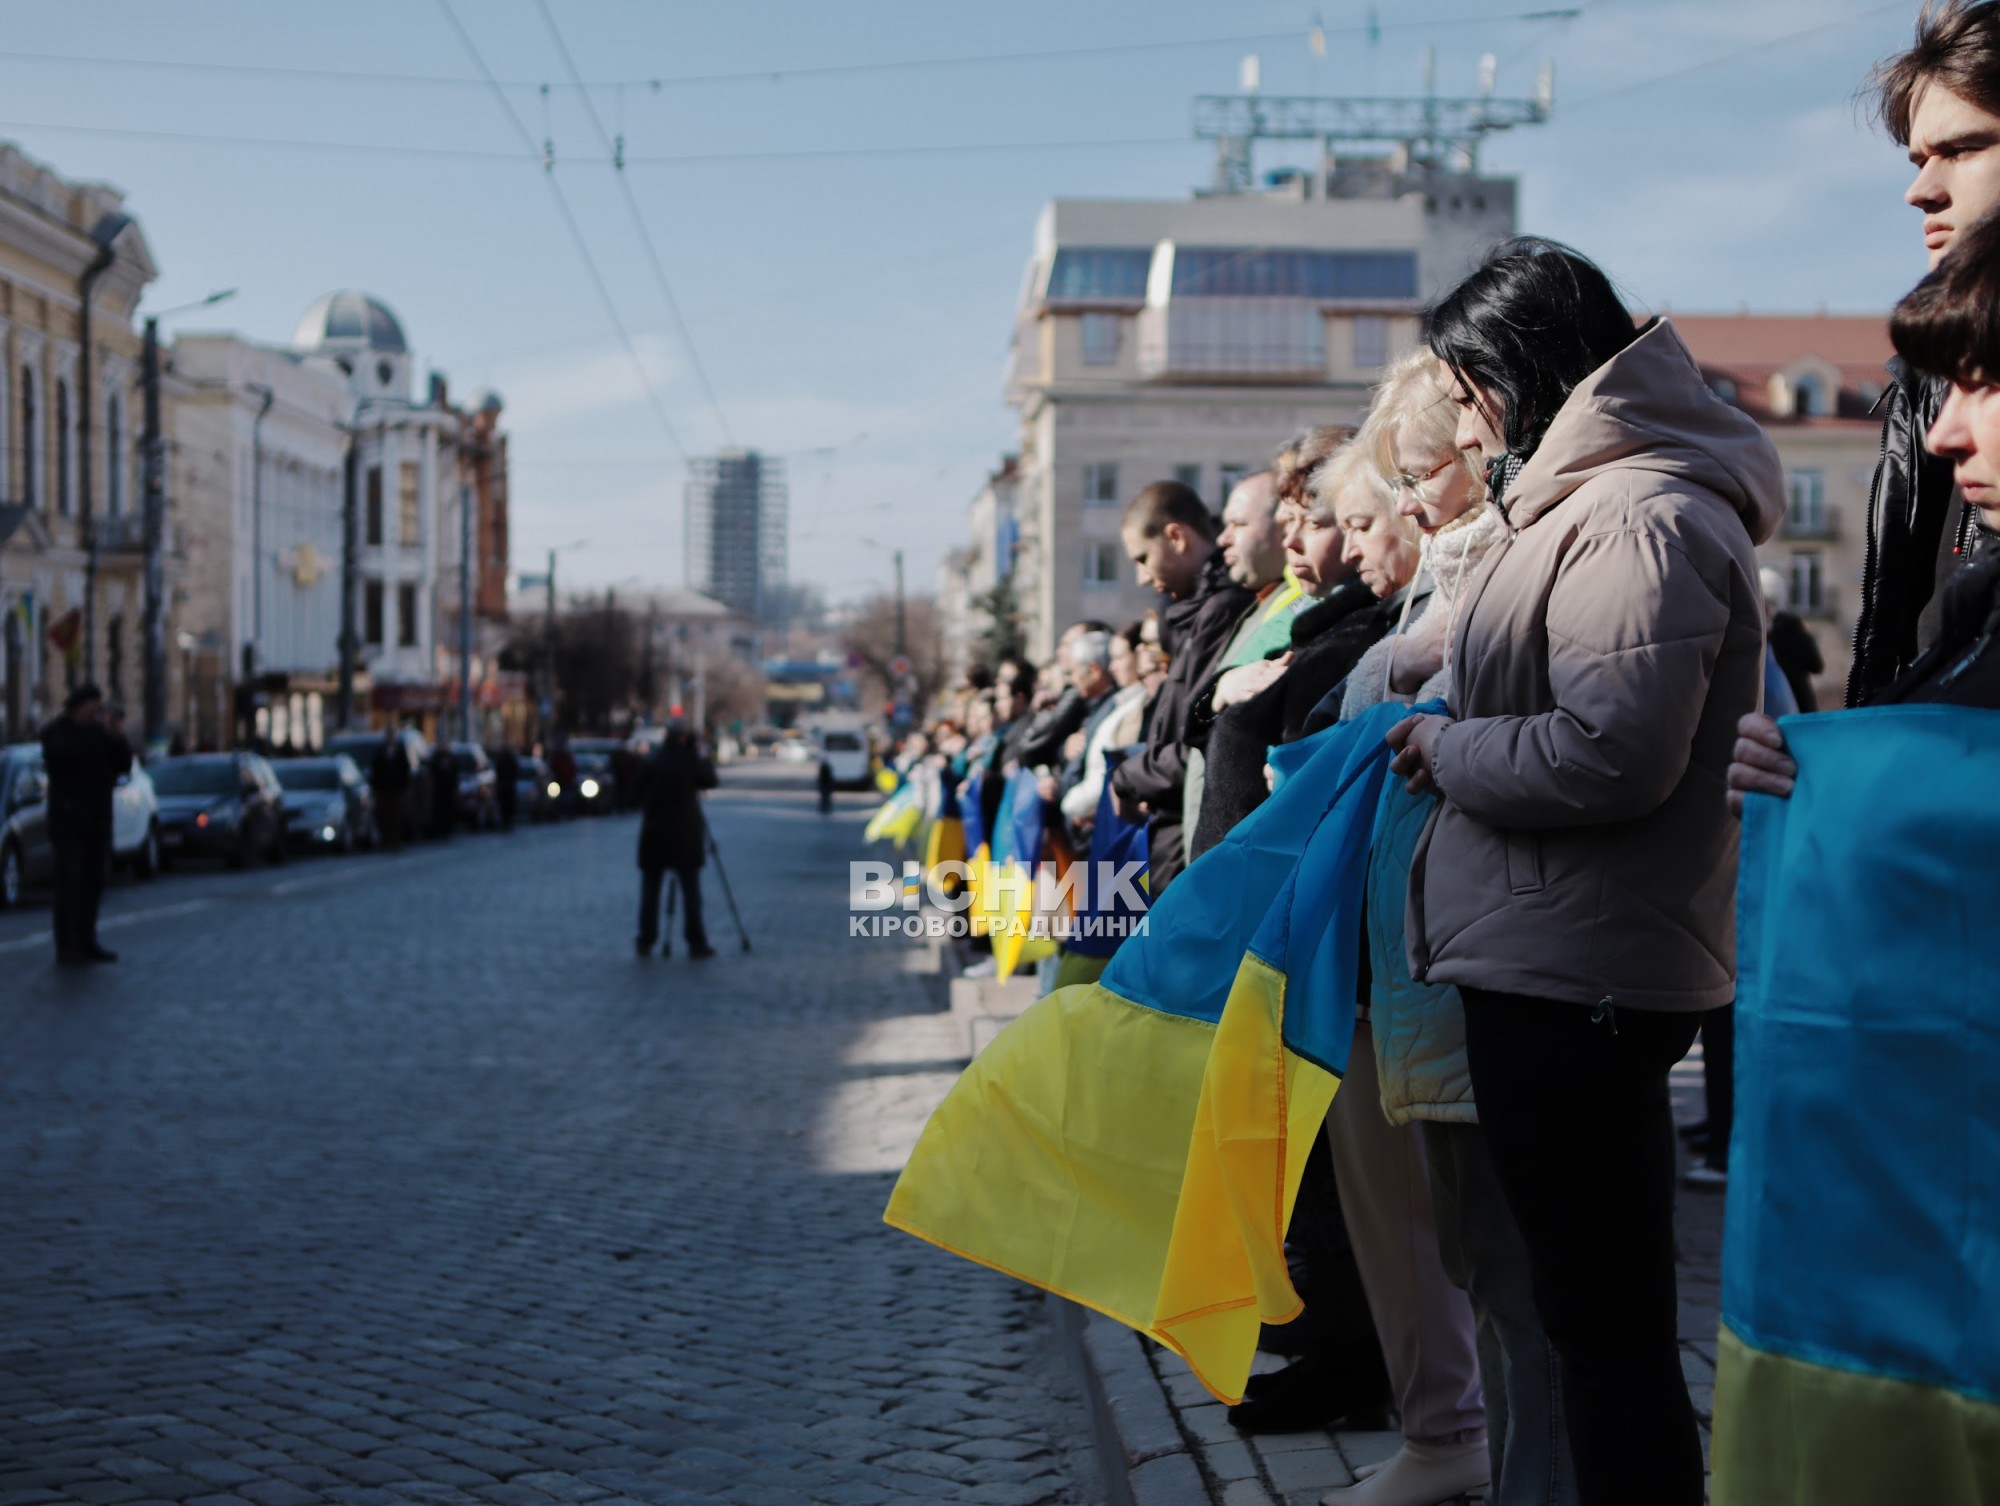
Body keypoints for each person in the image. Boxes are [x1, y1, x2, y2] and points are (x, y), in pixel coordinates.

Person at [1386, 239, 1782, 1506]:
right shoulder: (1584, 500)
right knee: (1581, 1316)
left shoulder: (1635, 511)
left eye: (1460, 388)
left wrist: (1447, 746)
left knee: (1601, 1330)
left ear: (1515, 372)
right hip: (1553, 950)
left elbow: (1611, 755)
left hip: (1582, 967)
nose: (1455, 415)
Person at [1737, 0, 2000, 781]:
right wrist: (1831, 772)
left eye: (1960, 149)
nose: (1920, 191)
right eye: (1916, 159)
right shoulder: (1920, 388)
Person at [1108, 480, 1253, 896]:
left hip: (1191, 854)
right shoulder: (1195, 611)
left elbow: (1195, 743)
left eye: (1143, 558)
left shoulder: (1221, 609)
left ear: (1175, 536)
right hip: (1172, 847)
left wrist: (1128, 777)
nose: (1140, 577)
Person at [40, 683, 130, 966]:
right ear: (81, 707)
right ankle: (67, 946)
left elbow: (123, 764)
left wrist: (116, 736)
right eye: (94, 708)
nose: (98, 714)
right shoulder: (57, 733)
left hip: (98, 821)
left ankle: (87, 940)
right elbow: (62, 758)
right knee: (70, 885)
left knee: (93, 884)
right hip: (69, 823)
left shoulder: (101, 735)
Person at [636, 721, 719, 959]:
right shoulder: (691, 760)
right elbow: (710, 779)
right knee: (691, 894)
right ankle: (696, 942)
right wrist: (698, 753)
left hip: (654, 834)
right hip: (685, 835)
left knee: (650, 892)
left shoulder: (654, 759)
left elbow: (636, 788)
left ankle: (646, 939)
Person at [370, 726, 410, 852]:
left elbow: (405, 770)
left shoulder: (400, 751)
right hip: (383, 790)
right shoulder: (380, 752)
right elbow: (375, 771)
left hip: (397, 790)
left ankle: (396, 840)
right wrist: (377, 786)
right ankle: (385, 840)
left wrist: (403, 786)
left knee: (396, 816)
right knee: (384, 816)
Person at [429, 739, 458, 838]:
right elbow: (432, 770)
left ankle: (448, 828)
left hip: (448, 789)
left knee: (448, 810)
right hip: (439, 789)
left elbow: (455, 773)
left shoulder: (451, 758)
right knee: (439, 810)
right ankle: (440, 829)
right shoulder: (436, 758)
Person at [493, 742, 520, 831]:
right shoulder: (502, 760)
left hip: (508, 787)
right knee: (504, 806)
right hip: (504, 787)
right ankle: (506, 821)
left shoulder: (509, 760)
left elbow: (515, 772)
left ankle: (508, 821)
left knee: (508, 806)